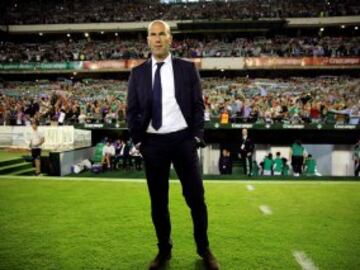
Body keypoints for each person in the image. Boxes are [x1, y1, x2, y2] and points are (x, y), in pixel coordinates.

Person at [127, 20, 219, 270]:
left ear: (170, 39)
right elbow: (131, 111)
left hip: (183, 141)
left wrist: (197, 137)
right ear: (147, 40)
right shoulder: (137, 73)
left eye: (162, 34)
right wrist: (138, 141)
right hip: (153, 144)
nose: (157, 39)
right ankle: (164, 251)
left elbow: (199, 106)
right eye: (152, 35)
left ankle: (204, 248)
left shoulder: (187, 69)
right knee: (158, 203)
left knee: (196, 199)